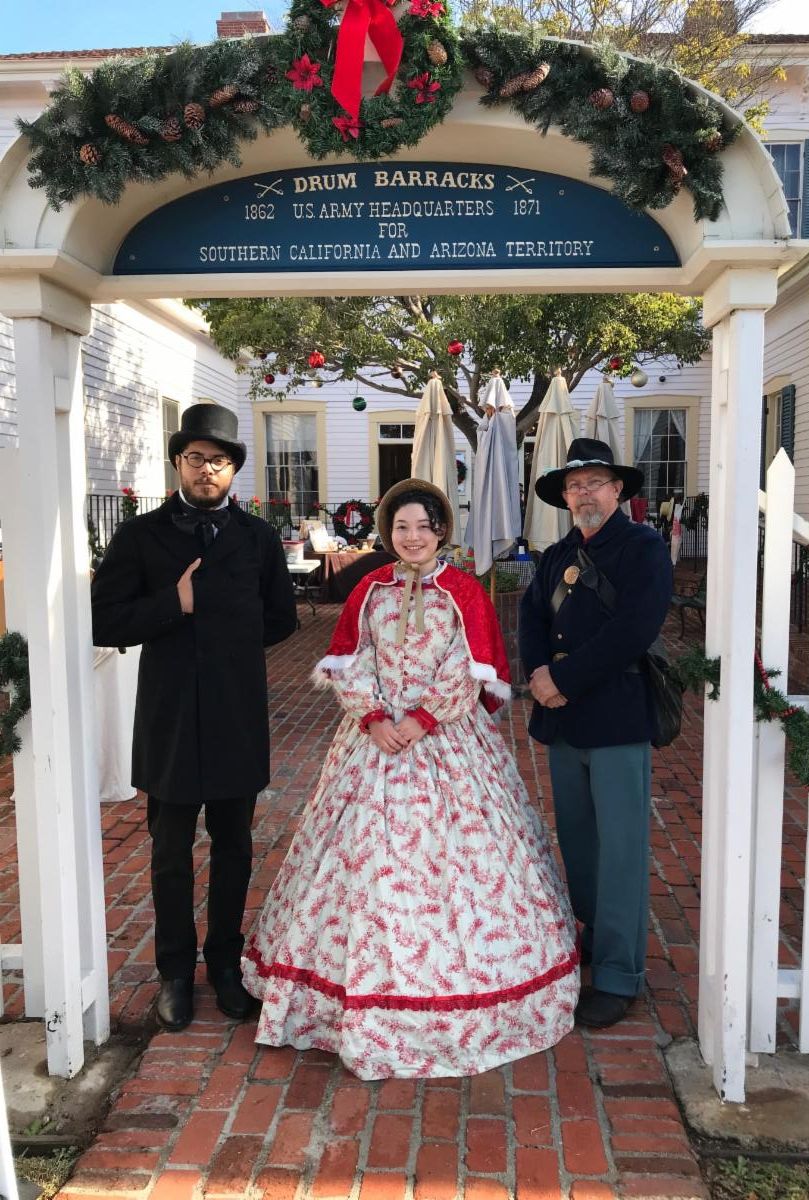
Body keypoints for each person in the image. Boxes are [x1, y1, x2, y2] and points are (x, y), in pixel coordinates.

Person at [242, 478, 579, 1079]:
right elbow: (350, 660)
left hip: (447, 741)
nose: (413, 536)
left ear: (441, 530)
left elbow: (470, 668)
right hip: (372, 741)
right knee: (360, 855)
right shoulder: (370, 589)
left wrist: (421, 719)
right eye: (402, 527)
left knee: (467, 862)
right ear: (388, 532)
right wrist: (373, 717)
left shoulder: (464, 591)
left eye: (424, 526)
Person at [91, 403, 297, 1032]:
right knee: (170, 853)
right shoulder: (141, 535)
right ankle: (175, 972)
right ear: (179, 463)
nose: (208, 469)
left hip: (236, 713)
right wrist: (173, 605)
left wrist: (225, 637)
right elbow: (104, 619)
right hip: (171, 718)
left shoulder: (258, 537)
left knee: (234, 847)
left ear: (233, 469)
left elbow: (281, 619)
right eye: (197, 458)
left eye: (220, 460)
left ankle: (226, 966)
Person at [519, 438, 672, 1029]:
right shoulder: (557, 554)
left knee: (621, 850)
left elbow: (634, 630)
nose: (584, 492)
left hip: (615, 720)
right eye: (575, 484)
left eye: (595, 482)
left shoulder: (643, 548)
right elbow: (532, 616)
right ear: (564, 496)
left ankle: (617, 972)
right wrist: (539, 674)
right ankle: (593, 931)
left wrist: (561, 679)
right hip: (564, 721)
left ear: (618, 490)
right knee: (580, 844)